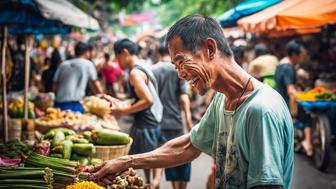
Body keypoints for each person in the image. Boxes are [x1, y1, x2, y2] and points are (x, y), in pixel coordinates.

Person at [91, 15, 294, 189]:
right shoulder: (222, 100)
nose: (180, 74)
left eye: (181, 61)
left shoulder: (260, 110)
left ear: (210, 49)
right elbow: (189, 145)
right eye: (176, 66)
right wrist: (126, 162)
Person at [102, 38, 163, 185]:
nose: (118, 63)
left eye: (118, 58)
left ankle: (152, 184)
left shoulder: (135, 73)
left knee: (149, 160)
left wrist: (123, 111)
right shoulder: (144, 66)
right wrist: (119, 103)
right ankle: (151, 183)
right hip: (151, 121)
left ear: (125, 53)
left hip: (146, 123)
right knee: (149, 160)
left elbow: (147, 100)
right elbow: (139, 99)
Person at [151, 45, 193, 189]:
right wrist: (188, 121)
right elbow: (183, 98)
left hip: (157, 121)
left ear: (157, 53)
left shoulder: (152, 71)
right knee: (178, 159)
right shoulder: (177, 70)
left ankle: (155, 181)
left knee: (160, 156)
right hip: (175, 122)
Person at [275, 40, 312, 156]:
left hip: (279, 102)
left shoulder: (280, 64)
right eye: (302, 55)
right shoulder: (288, 68)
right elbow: (290, 90)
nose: (304, 58)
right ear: (294, 55)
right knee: (308, 117)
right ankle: (308, 142)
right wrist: (302, 96)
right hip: (286, 104)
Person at [53, 42, 103, 113]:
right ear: (87, 53)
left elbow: (55, 86)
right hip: (75, 104)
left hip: (59, 103)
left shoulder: (63, 64)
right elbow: (95, 83)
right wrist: (103, 97)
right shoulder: (88, 64)